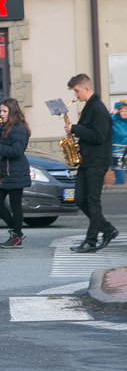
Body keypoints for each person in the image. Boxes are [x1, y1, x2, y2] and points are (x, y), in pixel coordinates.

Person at [66, 74, 118, 252]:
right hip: (87, 160)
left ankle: (91, 240)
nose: (75, 94)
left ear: (86, 88)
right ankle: (108, 229)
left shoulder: (98, 108)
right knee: (80, 199)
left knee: (92, 201)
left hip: (97, 161)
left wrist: (75, 128)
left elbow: (98, 136)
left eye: (77, 90)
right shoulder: (90, 107)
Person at [0, 98, 31, 249]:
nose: (1, 114)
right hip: (6, 171)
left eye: (4, 111)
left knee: (15, 205)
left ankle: (16, 235)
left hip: (16, 171)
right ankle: (17, 231)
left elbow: (16, 151)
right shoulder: (6, 127)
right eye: (0, 111)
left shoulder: (18, 128)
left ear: (12, 112)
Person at [110, 100, 127, 185]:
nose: (124, 113)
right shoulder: (114, 122)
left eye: (126, 111)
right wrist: (113, 113)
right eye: (122, 111)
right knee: (120, 180)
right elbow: (105, 122)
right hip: (118, 153)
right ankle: (112, 196)